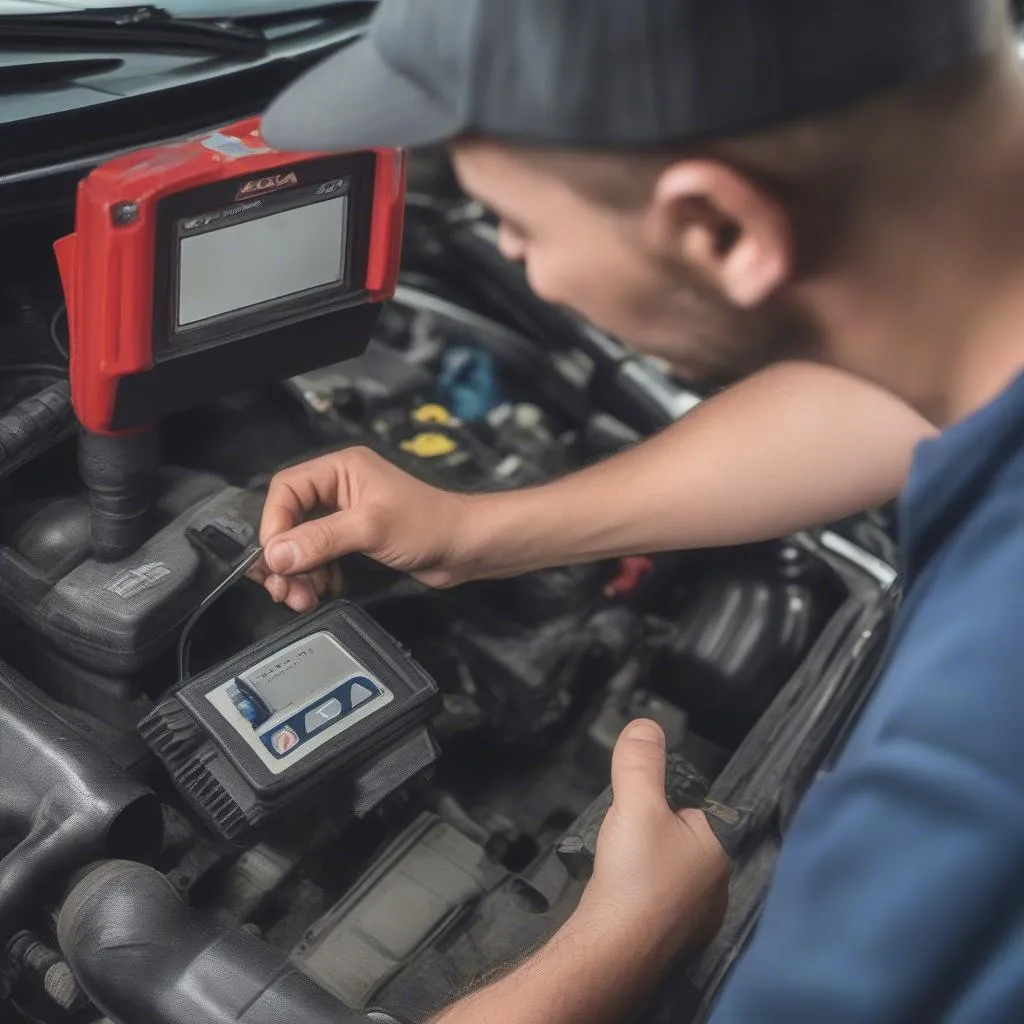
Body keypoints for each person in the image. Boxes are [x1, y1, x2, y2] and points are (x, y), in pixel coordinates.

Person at [254, 0, 1024, 1019]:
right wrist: (480, 531)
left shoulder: (967, 756)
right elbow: (885, 402)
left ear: (716, 227)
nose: (525, 268)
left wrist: (630, 936)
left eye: (518, 229)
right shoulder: (970, 271)